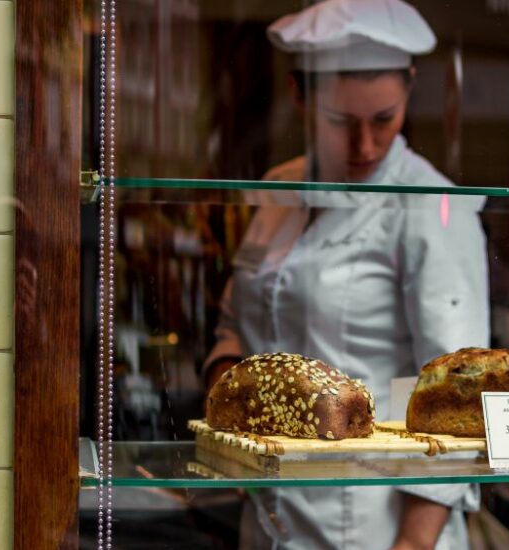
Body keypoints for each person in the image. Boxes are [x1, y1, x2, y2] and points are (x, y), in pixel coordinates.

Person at [202, 1, 490, 548]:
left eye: (383, 120)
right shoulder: (277, 190)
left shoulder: (431, 207)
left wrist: (413, 542)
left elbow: (459, 401)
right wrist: (228, 398)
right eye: (340, 123)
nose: (364, 146)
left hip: (372, 525)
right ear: (299, 96)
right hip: (268, 516)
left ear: (409, 88)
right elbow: (235, 325)